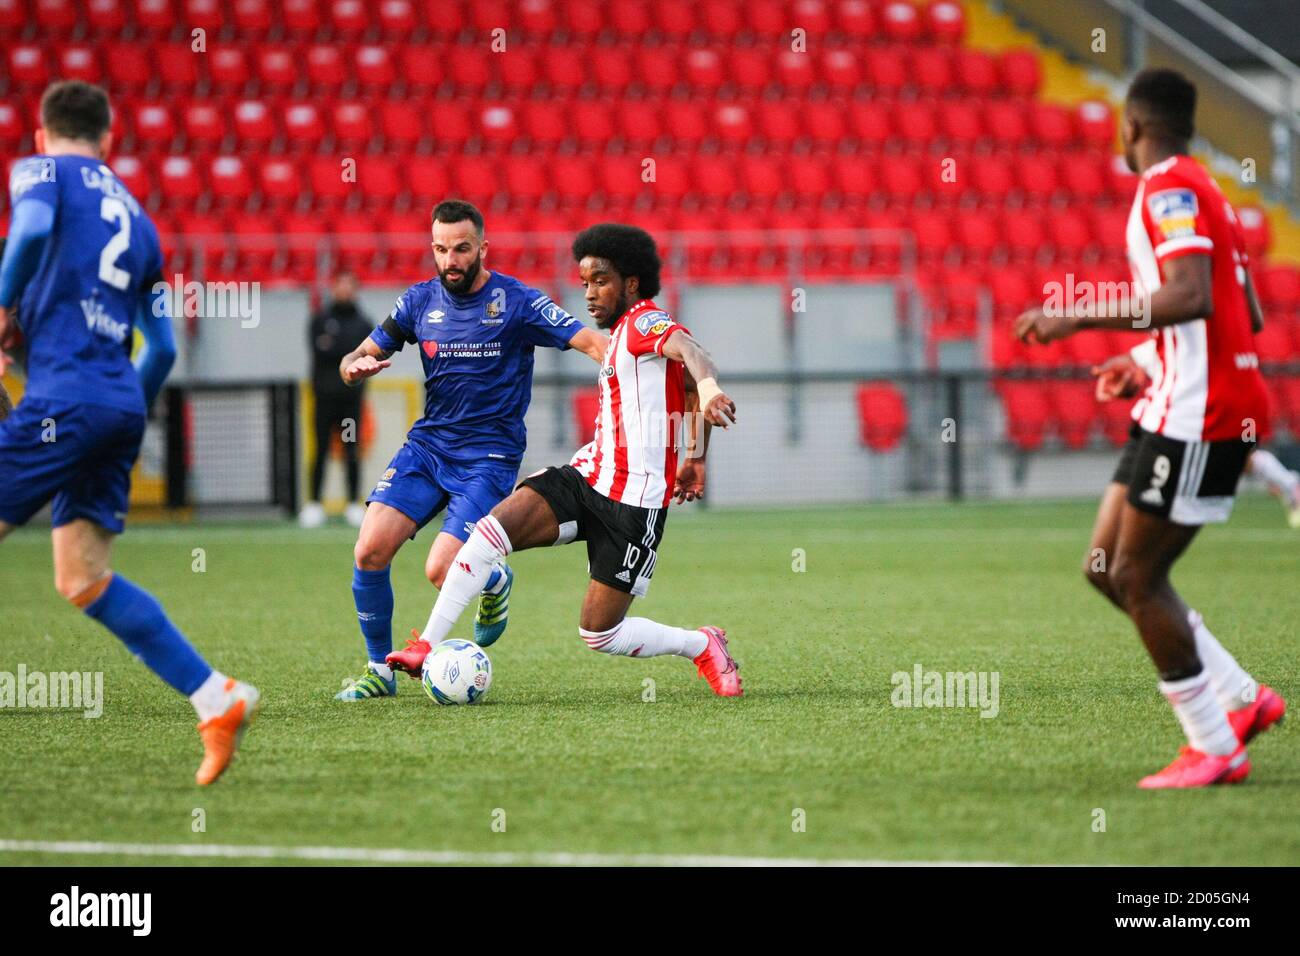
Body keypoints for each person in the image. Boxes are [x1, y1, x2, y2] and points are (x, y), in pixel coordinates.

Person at [1016, 68, 1285, 788]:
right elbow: (1245, 314)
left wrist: (1077, 313)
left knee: (1138, 573)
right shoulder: (1208, 189)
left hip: (1204, 410)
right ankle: (1238, 698)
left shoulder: (1165, 188)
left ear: (1131, 126)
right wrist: (1142, 357)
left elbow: (1192, 296)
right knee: (1106, 566)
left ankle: (1214, 745)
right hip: (1176, 396)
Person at [0, 81, 258, 785]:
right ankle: (216, 697)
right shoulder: (139, 219)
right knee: (82, 576)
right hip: (117, 401)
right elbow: (164, 350)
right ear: (110, 139)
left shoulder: (40, 172)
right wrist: (121, 414)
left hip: (67, 398)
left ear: (43, 132)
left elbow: (24, 234)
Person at [387, 224, 743, 697]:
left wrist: (713, 390)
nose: (590, 294)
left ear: (631, 284)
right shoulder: (618, 335)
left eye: (601, 281)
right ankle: (426, 645)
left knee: (600, 633)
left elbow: (694, 356)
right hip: (587, 476)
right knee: (489, 532)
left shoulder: (643, 322)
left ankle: (701, 643)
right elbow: (689, 391)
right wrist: (695, 458)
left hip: (634, 505)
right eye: (585, 284)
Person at [332, 199, 608, 700]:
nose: (451, 259)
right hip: (428, 448)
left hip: (488, 458)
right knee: (369, 550)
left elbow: (589, 341)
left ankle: (492, 576)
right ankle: (380, 671)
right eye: (441, 249)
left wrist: (634, 365)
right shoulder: (418, 302)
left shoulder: (518, 301)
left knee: (440, 570)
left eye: (461, 248)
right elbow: (362, 353)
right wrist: (353, 366)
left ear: (483, 247)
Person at [300, 270, 373, 529]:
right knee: (319, 450)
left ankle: (353, 503)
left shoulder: (364, 323)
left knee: (351, 450)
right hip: (324, 401)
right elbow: (322, 350)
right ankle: (314, 504)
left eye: (349, 286)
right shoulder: (320, 320)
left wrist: (339, 347)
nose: (344, 291)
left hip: (350, 403)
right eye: (340, 285)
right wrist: (347, 350)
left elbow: (364, 354)